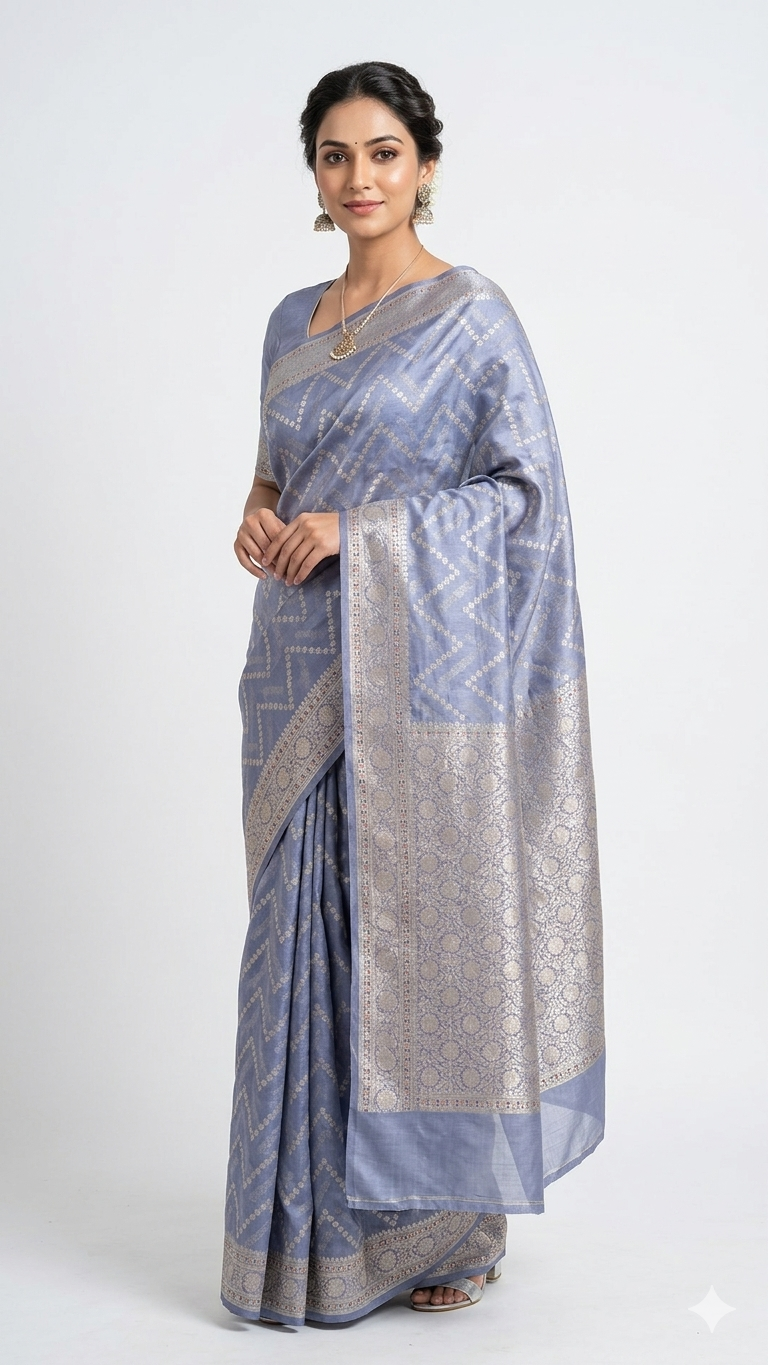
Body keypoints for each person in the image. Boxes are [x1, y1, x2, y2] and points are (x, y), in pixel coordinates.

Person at [222, 60, 605, 1327]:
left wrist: (362, 534)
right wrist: (261, 515)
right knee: (303, 940)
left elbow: (524, 501)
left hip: (424, 675)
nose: (360, 177)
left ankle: (446, 1225)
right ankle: (307, 1237)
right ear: (314, 174)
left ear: (425, 166)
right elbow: (274, 474)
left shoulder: (472, 316)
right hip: (298, 667)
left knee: (425, 936)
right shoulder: (290, 321)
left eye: (383, 152)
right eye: (336, 155)